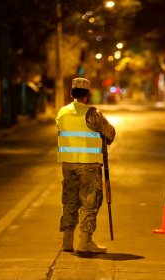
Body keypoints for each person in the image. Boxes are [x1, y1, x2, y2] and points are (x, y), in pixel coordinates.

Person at [56, 77, 116, 254]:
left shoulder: (62, 112)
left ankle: (67, 241)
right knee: (90, 202)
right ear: (88, 95)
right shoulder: (92, 114)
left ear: (71, 93)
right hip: (88, 165)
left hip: (67, 164)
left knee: (69, 201)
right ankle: (85, 242)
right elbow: (110, 134)